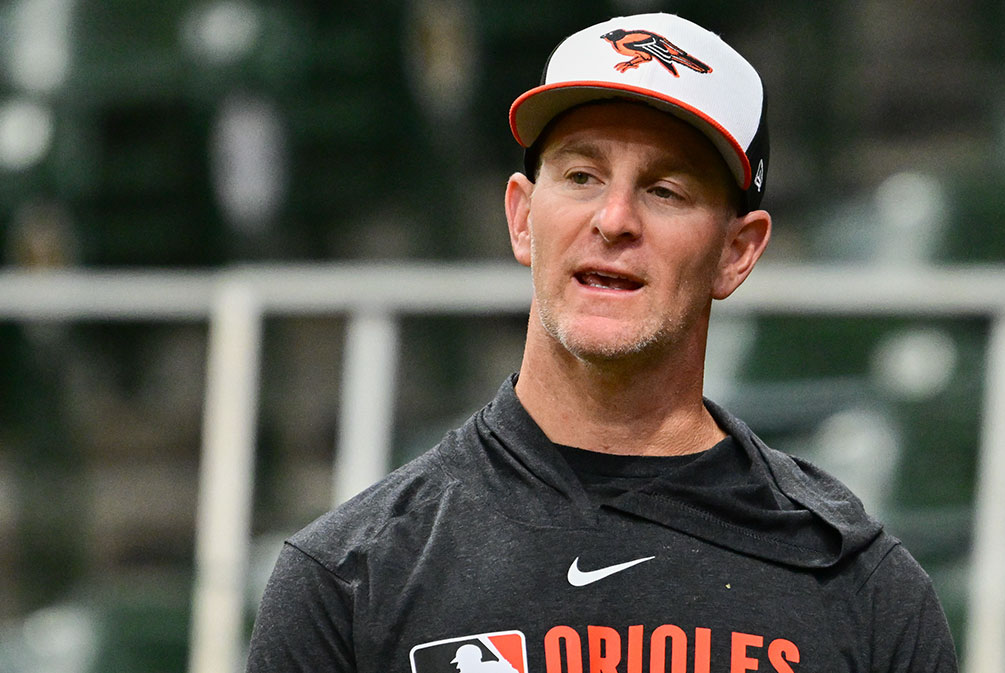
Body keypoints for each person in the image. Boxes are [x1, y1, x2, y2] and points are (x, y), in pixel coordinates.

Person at [246, 12, 958, 673]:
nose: (614, 218)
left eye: (665, 190)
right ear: (523, 218)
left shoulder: (861, 586)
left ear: (737, 253)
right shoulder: (350, 576)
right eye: (583, 176)